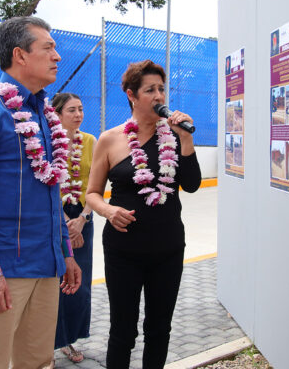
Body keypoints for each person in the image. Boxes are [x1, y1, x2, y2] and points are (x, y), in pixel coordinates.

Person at [0, 16, 82, 369]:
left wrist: (65, 253)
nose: (57, 56)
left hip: (45, 266)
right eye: (48, 48)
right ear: (20, 56)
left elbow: (50, 192)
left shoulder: (45, 114)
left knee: (38, 362)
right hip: (4, 270)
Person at [86, 60, 202, 368]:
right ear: (131, 95)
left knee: (159, 329)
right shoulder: (110, 139)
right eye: (149, 90)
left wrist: (186, 139)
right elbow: (92, 194)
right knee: (122, 330)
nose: (158, 96)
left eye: (162, 89)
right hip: (123, 250)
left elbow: (191, 185)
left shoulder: (175, 137)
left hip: (167, 248)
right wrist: (109, 211)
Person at [51, 93, 96, 364]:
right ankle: (47, 343)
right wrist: (62, 223)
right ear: (57, 114)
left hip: (83, 218)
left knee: (79, 285)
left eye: (80, 109)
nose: (78, 114)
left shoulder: (90, 141)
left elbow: (97, 184)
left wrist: (83, 220)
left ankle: (69, 339)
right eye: (71, 110)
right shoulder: (48, 142)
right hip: (54, 220)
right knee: (52, 283)